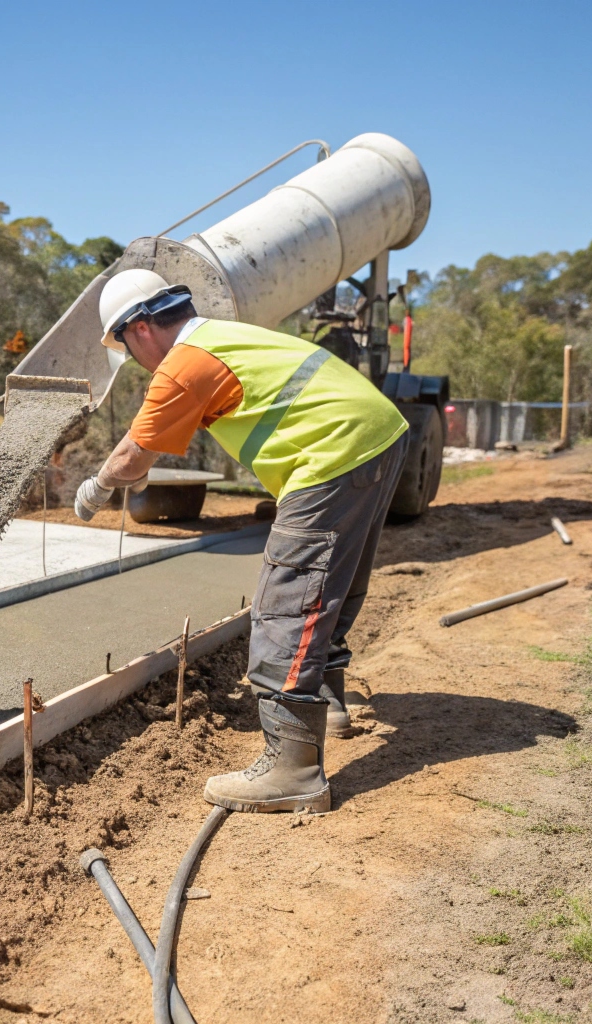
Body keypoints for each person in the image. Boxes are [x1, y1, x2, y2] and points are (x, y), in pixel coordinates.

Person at [74, 269, 409, 813]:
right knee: (334, 580)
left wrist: (97, 486)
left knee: (288, 601)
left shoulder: (184, 364)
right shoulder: (222, 338)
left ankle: (293, 769)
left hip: (332, 453)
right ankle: (329, 700)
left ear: (138, 330)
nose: (135, 357)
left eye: (126, 346)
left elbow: (133, 458)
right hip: (378, 434)